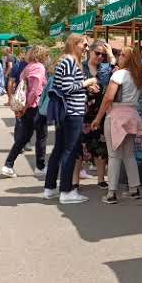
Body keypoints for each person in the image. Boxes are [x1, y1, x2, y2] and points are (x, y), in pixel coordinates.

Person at [91, 45, 142, 204]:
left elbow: (108, 98)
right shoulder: (137, 76)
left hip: (116, 115)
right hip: (132, 115)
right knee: (129, 154)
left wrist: (98, 117)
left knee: (114, 155)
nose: (119, 57)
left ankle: (111, 193)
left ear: (128, 59)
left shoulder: (119, 74)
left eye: (122, 55)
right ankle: (134, 188)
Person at [43, 34, 96, 204]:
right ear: (74, 44)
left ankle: (50, 188)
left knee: (59, 149)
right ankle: (66, 191)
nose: (87, 48)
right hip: (72, 112)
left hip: (67, 112)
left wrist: (86, 88)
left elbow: (67, 86)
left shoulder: (66, 61)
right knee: (69, 151)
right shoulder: (69, 61)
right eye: (84, 45)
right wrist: (87, 83)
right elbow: (67, 88)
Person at [2, 45, 50, 178]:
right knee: (41, 136)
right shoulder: (39, 67)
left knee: (24, 137)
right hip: (34, 107)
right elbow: (35, 90)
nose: (48, 58)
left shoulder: (27, 66)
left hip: (27, 107)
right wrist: (26, 106)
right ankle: (40, 166)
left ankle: (8, 164)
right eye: (46, 55)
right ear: (41, 55)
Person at [80, 41, 113, 188]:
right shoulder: (80, 67)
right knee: (79, 147)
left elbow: (108, 85)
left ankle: (100, 179)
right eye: (97, 53)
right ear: (90, 52)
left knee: (100, 147)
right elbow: (73, 86)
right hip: (82, 112)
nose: (100, 56)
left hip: (100, 112)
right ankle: (75, 181)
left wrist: (111, 55)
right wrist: (87, 87)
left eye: (103, 54)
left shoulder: (105, 68)